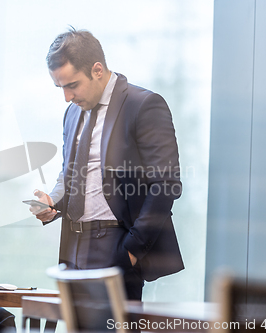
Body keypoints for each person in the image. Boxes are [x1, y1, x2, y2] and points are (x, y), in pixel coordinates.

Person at [31, 28, 183, 300]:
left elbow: (166, 184)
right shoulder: (72, 112)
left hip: (116, 244)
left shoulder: (144, 105)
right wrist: (52, 202)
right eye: (60, 87)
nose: (67, 97)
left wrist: (132, 251)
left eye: (72, 85)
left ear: (97, 70)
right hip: (73, 246)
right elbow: (72, 174)